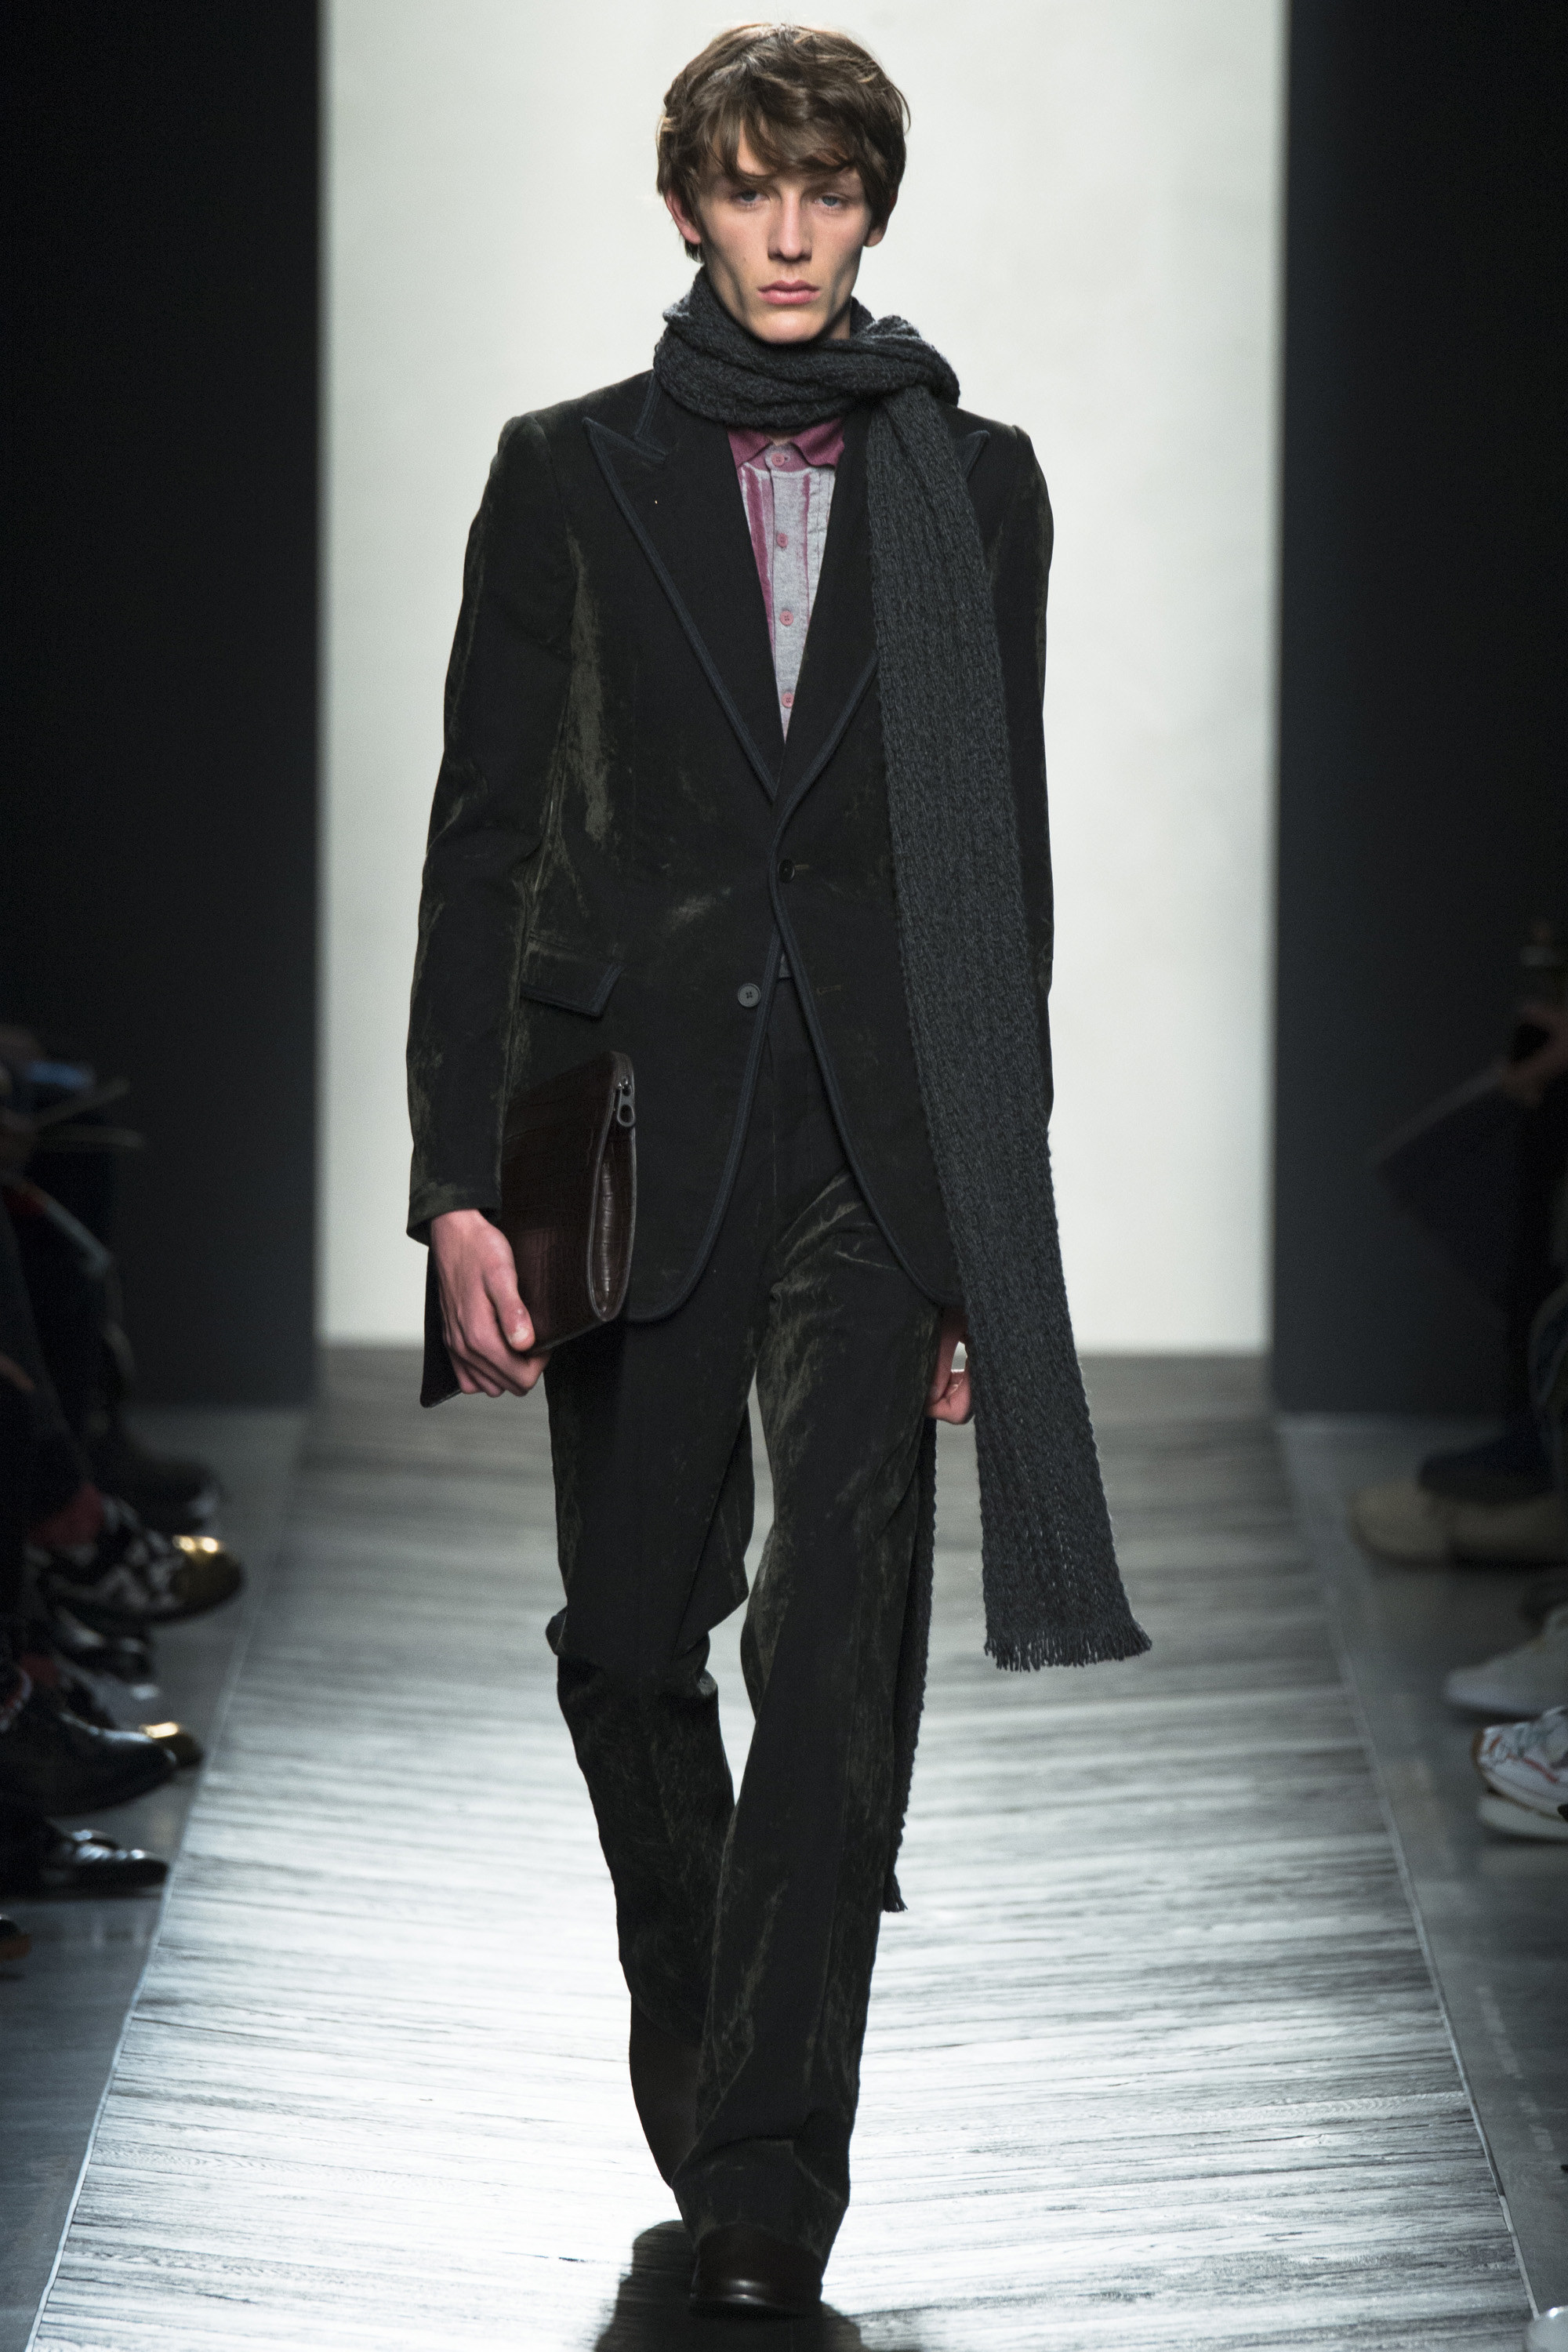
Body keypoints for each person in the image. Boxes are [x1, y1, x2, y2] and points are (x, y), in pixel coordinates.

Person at [408, 24, 1145, 2318]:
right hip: (633, 1134)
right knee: (632, 1647)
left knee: (834, 1654)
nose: (795, 231)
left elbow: (996, 872)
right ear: (691, 208)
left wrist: (990, 1232)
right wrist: (453, 1180)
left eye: (828, 189)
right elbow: (482, 838)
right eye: (754, 188)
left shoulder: (977, 487)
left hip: (872, 1141)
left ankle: (762, 2178)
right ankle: (719, 2035)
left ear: (872, 208)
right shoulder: (568, 476)